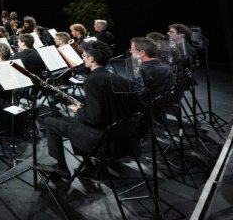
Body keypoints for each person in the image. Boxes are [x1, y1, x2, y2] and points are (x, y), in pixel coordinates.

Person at [39, 40, 144, 180]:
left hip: (103, 140)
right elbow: (136, 108)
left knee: (49, 122)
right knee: (72, 122)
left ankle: (61, 169)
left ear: (92, 58)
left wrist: (79, 111)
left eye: (83, 56)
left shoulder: (91, 80)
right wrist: (85, 108)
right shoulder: (119, 78)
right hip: (124, 138)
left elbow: (94, 119)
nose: (83, 59)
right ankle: (88, 167)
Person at [129, 37, 175, 101]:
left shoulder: (142, 71)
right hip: (166, 103)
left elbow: (136, 93)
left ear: (142, 52)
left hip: (149, 106)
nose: (130, 51)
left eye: (132, 49)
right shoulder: (167, 67)